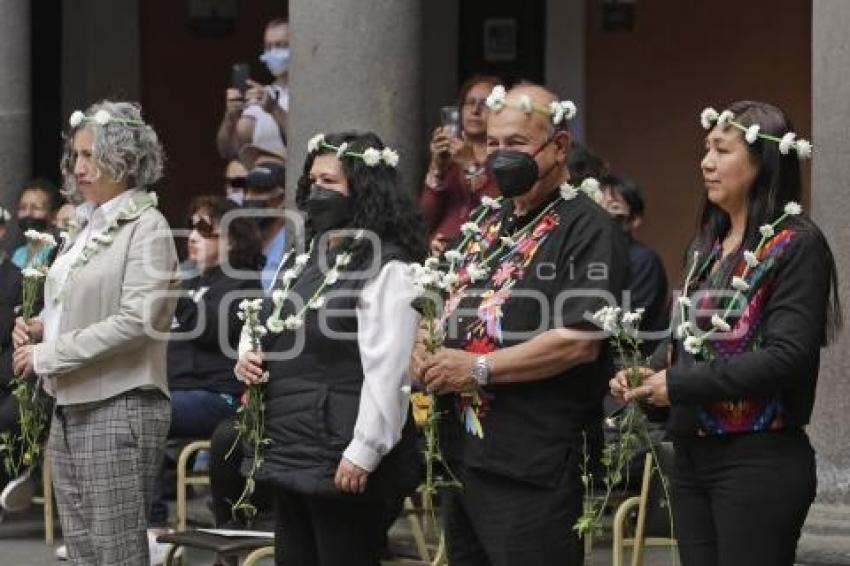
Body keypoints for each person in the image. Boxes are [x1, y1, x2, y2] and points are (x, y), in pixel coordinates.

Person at [611, 100, 842, 566]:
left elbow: (786, 357)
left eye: (721, 150)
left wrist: (675, 386)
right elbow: (689, 340)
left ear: (763, 162)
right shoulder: (708, 246)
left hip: (758, 458)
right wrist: (650, 369)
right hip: (694, 456)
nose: (705, 162)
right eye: (706, 149)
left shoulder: (796, 244)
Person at [410, 83, 628, 565]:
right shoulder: (484, 223)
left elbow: (579, 340)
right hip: (462, 459)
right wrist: (424, 344)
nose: (500, 155)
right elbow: (438, 302)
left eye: (517, 144)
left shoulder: (588, 227)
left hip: (531, 467)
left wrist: (479, 368)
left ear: (559, 147)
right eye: (492, 143)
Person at [235, 131, 425, 565]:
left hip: (341, 445)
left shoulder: (388, 266)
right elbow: (264, 321)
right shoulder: (302, 259)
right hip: (289, 441)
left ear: (363, 191)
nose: (317, 190)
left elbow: (388, 370)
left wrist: (365, 448)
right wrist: (247, 354)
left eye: (331, 182)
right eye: (313, 179)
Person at [12, 100, 178, 565]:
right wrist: (39, 326)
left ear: (125, 159)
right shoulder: (84, 226)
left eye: (90, 156)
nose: (78, 167)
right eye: (76, 156)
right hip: (70, 401)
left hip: (120, 402)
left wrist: (48, 355)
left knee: (116, 552)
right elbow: (73, 305)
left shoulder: (148, 227)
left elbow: (136, 321)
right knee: (83, 551)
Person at [148, 196, 263, 532]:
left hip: (218, 396)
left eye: (204, 228)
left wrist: (174, 295)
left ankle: (152, 527)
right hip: (175, 389)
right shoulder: (193, 282)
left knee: (146, 411)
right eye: (192, 226)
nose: (192, 236)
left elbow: (213, 332)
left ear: (232, 237)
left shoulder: (245, 282)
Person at [420, 75, 501, 255]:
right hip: (438, 252)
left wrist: (471, 165)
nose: (475, 110)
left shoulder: (505, 153)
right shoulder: (448, 152)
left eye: (485, 104)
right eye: (469, 102)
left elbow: (499, 210)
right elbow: (425, 219)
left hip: (485, 253)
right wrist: (437, 167)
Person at [600, 174, 669, 348]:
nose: (603, 213)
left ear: (635, 220)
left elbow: (627, 322)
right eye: (598, 205)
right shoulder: (585, 258)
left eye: (613, 207)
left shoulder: (644, 260)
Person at [217, 19, 290, 160]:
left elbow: (307, 140)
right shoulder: (259, 96)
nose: (273, 52)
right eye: (268, 47)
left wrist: (274, 109)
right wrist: (230, 117)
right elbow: (227, 151)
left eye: (280, 45)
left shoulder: (309, 93)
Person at [239, 138, 288, 293]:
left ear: (282, 199)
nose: (249, 199)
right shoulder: (239, 244)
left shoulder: (292, 249)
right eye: (248, 190)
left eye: (259, 190)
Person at [11, 179, 59, 268]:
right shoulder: (18, 254)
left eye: (37, 208)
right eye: (22, 207)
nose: (28, 213)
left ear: (54, 216)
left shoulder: (58, 252)